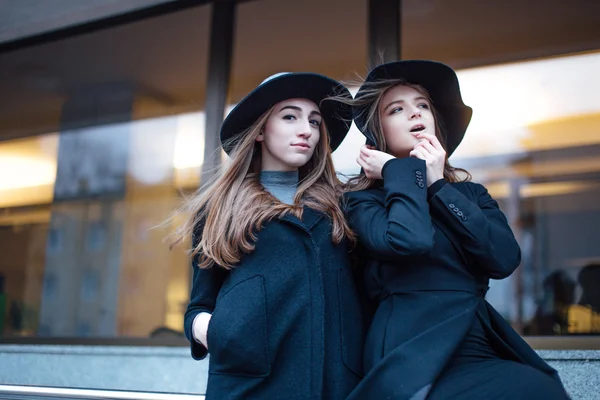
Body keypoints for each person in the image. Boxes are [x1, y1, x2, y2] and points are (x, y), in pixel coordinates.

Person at [340, 60, 570, 399]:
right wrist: (398, 172)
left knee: (541, 389)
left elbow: (503, 259)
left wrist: (436, 185)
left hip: (475, 341)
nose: (415, 114)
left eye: (422, 106)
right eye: (397, 109)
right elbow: (411, 240)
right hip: (413, 349)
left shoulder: (471, 194)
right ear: (379, 132)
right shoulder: (363, 202)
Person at [167, 72, 366, 399]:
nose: (307, 130)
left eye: (315, 122)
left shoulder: (343, 207)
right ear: (260, 130)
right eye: (290, 117)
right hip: (250, 385)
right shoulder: (221, 208)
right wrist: (220, 333)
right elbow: (198, 306)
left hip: (336, 385)